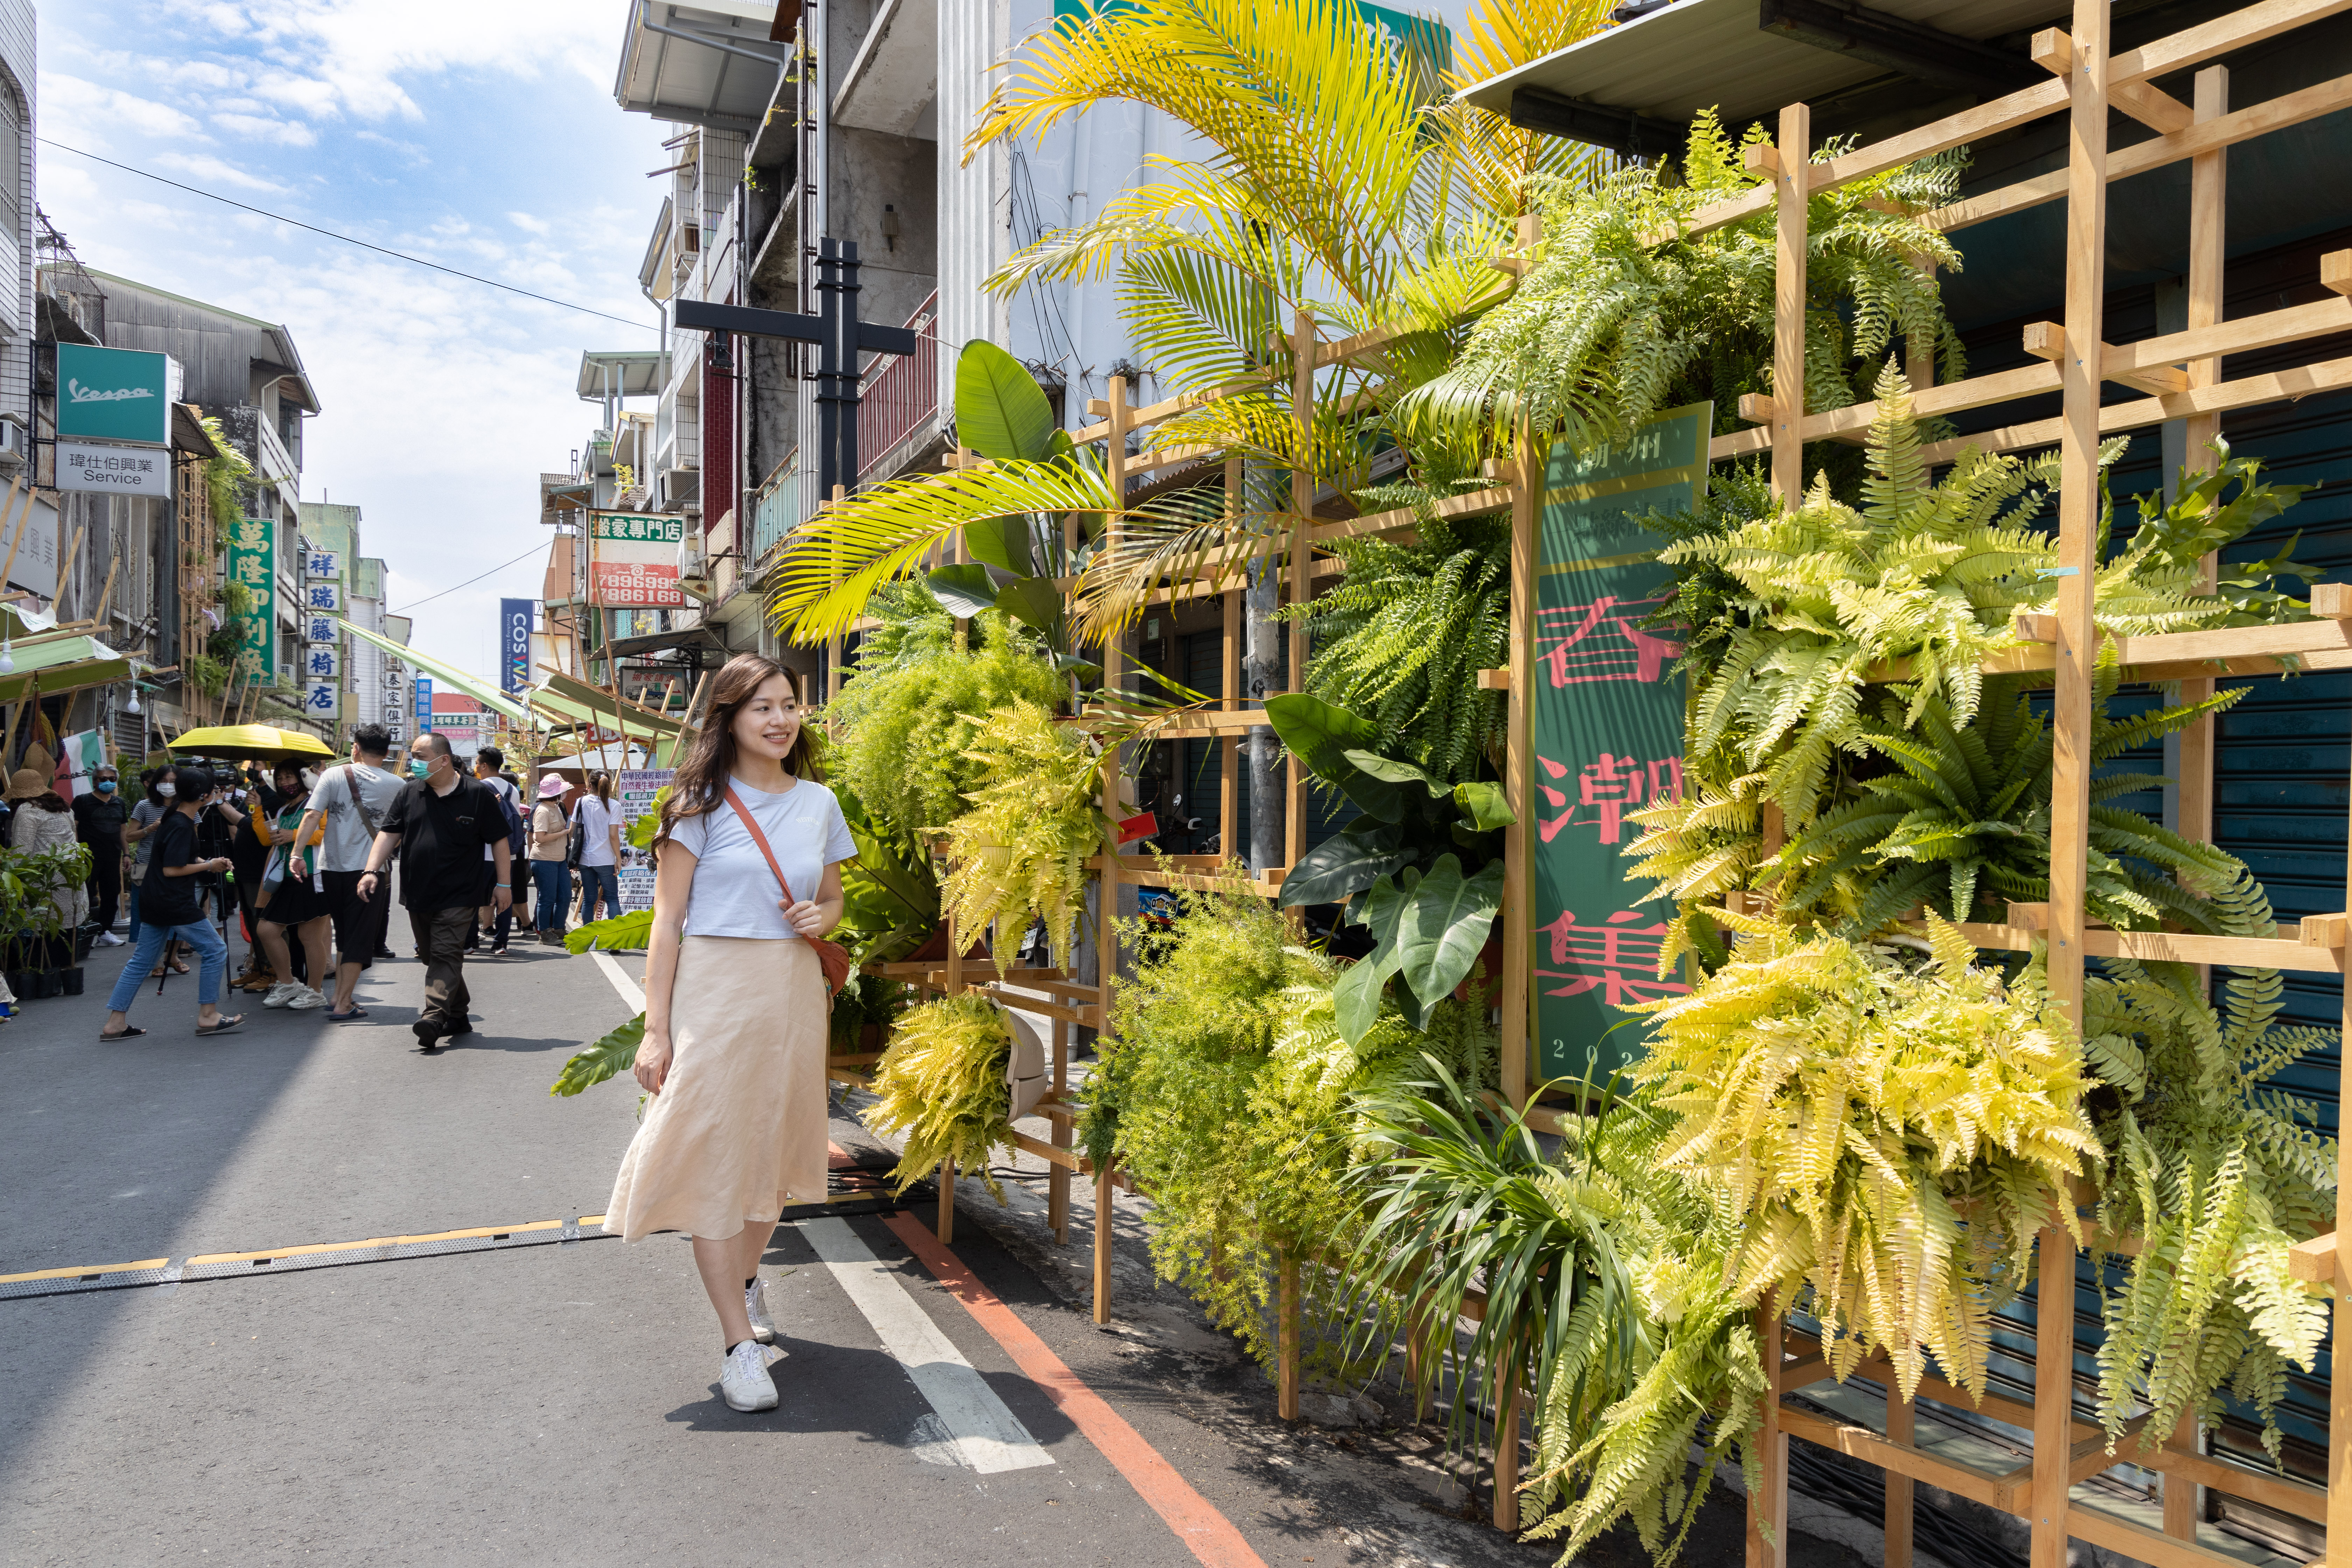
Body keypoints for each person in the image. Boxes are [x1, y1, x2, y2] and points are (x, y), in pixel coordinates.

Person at [603, 654, 853, 1414]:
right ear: (730, 718)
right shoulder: (696, 806)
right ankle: (739, 1342)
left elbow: (835, 896)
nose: (780, 720)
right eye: (762, 707)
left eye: (789, 704)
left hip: (791, 996)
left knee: (770, 1159)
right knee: (713, 1153)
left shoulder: (819, 802)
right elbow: (668, 924)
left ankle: (746, 1278)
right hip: (715, 995)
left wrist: (824, 917)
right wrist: (656, 1030)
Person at [356, 731, 513, 1050]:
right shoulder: (409, 792)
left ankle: (434, 1016)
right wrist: (371, 870)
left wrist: (504, 884)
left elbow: (499, 840)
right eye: (413, 756)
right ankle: (458, 1012)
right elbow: (389, 833)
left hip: (460, 893)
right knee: (433, 955)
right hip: (418, 892)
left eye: (420, 757)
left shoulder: (477, 794)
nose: (414, 763)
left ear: (443, 760)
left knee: (444, 952)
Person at [99, 763, 242, 1040]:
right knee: (216, 951)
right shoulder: (181, 824)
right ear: (203, 796)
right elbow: (172, 869)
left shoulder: (173, 817)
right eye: (213, 790)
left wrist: (209, 862)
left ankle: (115, 1023)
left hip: (156, 899)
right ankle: (209, 1016)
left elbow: (179, 860)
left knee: (141, 962)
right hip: (173, 902)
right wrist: (207, 866)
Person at [291, 725, 405, 1021]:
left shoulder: (332, 775)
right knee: (358, 938)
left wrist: (296, 854)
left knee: (343, 935)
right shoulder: (397, 784)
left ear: (356, 748)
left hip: (332, 869)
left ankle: (341, 996)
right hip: (370, 870)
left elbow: (312, 815)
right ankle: (343, 1003)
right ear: (387, 751)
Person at [253, 763, 331, 1010]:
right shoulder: (283, 809)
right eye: (280, 779)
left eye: (290, 776)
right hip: (286, 878)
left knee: (310, 937)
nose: (285, 782)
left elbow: (327, 834)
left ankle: (316, 991)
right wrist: (255, 809)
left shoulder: (317, 802)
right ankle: (288, 983)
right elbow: (266, 839)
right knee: (266, 930)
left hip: (314, 877)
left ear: (302, 778)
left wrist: (294, 834)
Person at [9, 761, 86, 968]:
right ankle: (63, 971)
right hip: (70, 873)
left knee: (45, 926)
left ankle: (45, 971)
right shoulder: (64, 807)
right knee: (66, 926)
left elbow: (21, 852)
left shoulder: (27, 811)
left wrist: (13, 881)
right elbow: (74, 840)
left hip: (44, 876)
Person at [123, 767, 187, 976]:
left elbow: (193, 838)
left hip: (176, 869)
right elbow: (130, 837)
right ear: (156, 783)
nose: (169, 785)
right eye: (164, 780)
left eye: (173, 781)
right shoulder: (144, 806)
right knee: (148, 916)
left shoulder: (186, 807)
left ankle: (173, 956)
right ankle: (155, 960)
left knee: (176, 915)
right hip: (147, 870)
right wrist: (152, 827)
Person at [471, 747, 526, 957]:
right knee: (504, 897)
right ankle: (501, 943)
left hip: (483, 853)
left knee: (475, 898)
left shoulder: (478, 787)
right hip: (509, 854)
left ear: (484, 765)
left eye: (477, 764)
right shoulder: (512, 790)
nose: (476, 767)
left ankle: (472, 941)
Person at [72, 763, 129, 946]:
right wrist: (76, 851)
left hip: (113, 856)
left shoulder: (119, 803)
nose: (108, 782)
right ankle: (85, 933)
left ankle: (105, 931)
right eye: (103, 779)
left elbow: (123, 830)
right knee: (86, 895)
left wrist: (126, 854)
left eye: (112, 779)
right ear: (94, 781)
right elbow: (75, 827)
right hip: (88, 856)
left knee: (112, 894)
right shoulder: (82, 801)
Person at [526, 773, 572, 944]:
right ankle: (545, 933)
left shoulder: (557, 807)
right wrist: (563, 833)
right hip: (545, 860)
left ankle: (558, 929)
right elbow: (539, 837)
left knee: (565, 896)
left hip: (559, 860)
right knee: (547, 898)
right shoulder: (543, 810)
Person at [574, 772, 621, 926]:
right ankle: (613, 941)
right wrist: (618, 859)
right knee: (612, 898)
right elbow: (613, 835)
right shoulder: (614, 805)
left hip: (584, 858)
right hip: (605, 858)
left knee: (589, 899)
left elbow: (572, 831)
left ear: (589, 784)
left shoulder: (581, 802)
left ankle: (588, 937)